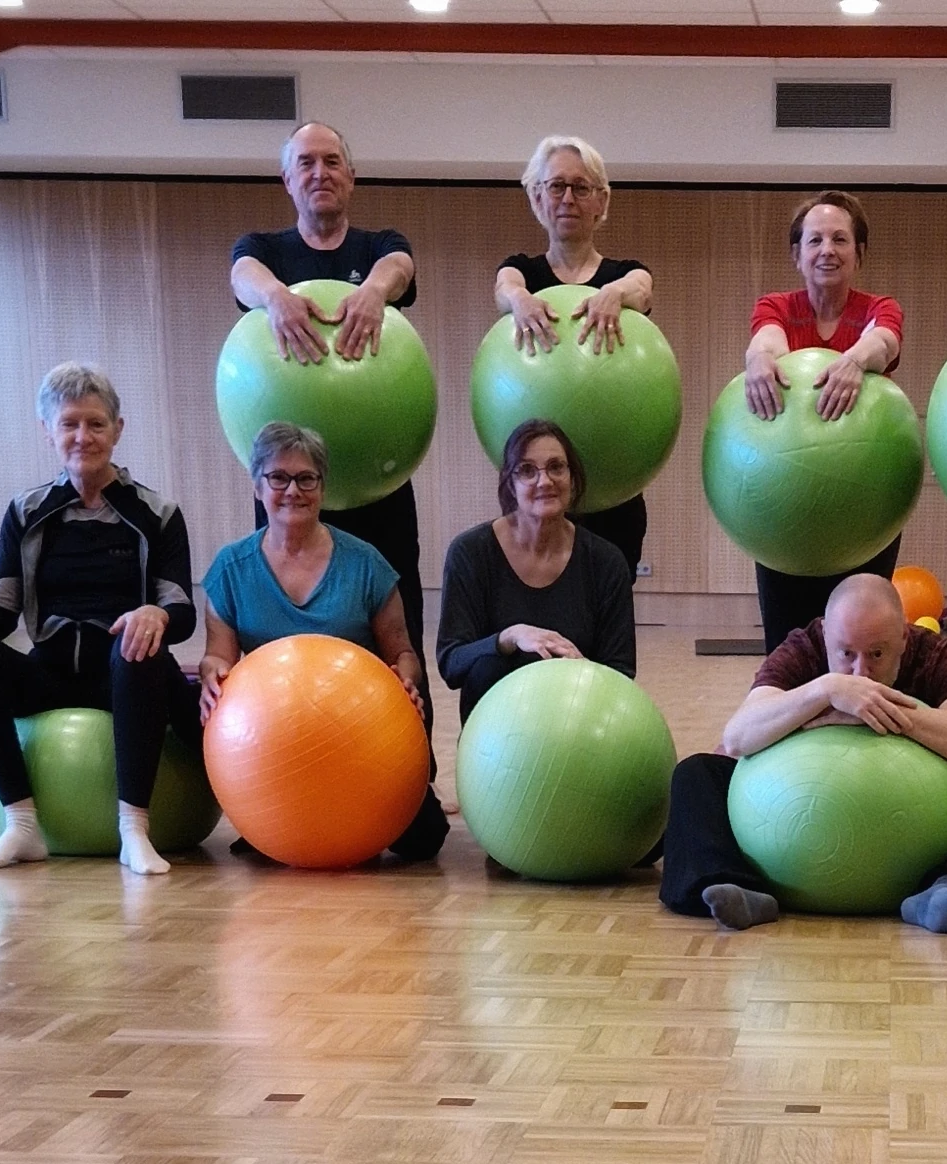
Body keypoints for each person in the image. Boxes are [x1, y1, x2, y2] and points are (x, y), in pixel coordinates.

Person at [659, 574, 947, 934]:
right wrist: (826, 692)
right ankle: (740, 888)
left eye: (877, 654)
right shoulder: (803, 647)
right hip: (798, 821)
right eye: (845, 653)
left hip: (922, 838)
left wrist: (886, 711)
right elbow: (738, 737)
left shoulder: (933, 654)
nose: (860, 672)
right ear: (826, 634)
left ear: (903, 637)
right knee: (695, 773)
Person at [0, 363, 198, 875]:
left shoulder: (157, 512)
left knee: (138, 643)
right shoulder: (27, 512)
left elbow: (180, 610)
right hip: (50, 672)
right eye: (70, 423)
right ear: (48, 431)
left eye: (96, 424)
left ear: (118, 430)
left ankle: (133, 829)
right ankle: (21, 825)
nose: (83, 436)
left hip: (127, 676)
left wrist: (153, 615)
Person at [227, 121, 435, 751]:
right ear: (288, 180)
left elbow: (401, 265)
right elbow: (242, 271)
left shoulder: (379, 246)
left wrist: (372, 291)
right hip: (286, 493)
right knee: (278, 628)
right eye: (306, 164)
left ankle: (410, 769)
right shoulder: (264, 249)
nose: (320, 173)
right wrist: (274, 299)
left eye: (333, 161)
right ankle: (277, 764)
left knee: (396, 629)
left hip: (377, 482)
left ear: (351, 175)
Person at [198, 422, 448, 861]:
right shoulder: (230, 569)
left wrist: (405, 680)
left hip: (359, 736)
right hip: (274, 750)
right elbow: (218, 655)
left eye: (306, 478)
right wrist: (211, 672)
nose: (292, 490)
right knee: (273, 847)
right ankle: (281, 827)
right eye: (278, 477)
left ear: (322, 487)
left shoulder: (366, 563)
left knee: (423, 839)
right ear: (258, 486)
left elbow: (404, 653)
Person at [743, 190, 906, 654]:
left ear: (859, 254)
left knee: (860, 642)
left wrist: (855, 360)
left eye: (840, 239)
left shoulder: (880, 307)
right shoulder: (776, 305)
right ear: (797, 254)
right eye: (814, 240)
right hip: (784, 509)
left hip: (865, 507)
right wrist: (757, 359)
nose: (827, 250)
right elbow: (768, 342)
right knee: (787, 645)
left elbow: (886, 341)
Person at [493, 135, 657, 581]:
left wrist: (613, 293)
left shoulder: (622, 275)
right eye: (556, 186)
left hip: (613, 490)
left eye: (581, 188)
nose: (568, 199)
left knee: (606, 614)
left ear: (601, 201)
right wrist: (520, 301)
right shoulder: (522, 272)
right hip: (534, 488)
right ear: (536, 197)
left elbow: (641, 287)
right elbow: (504, 287)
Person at [436, 420, 636, 719]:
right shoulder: (471, 552)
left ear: (573, 477)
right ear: (510, 483)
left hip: (579, 719)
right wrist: (510, 637)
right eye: (527, 470)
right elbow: (452, 662)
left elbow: (622, 671)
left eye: (556, 467)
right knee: (488, 665)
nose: (544, 481)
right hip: (496, 736)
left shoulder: (606, 561)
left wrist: (583, 672)